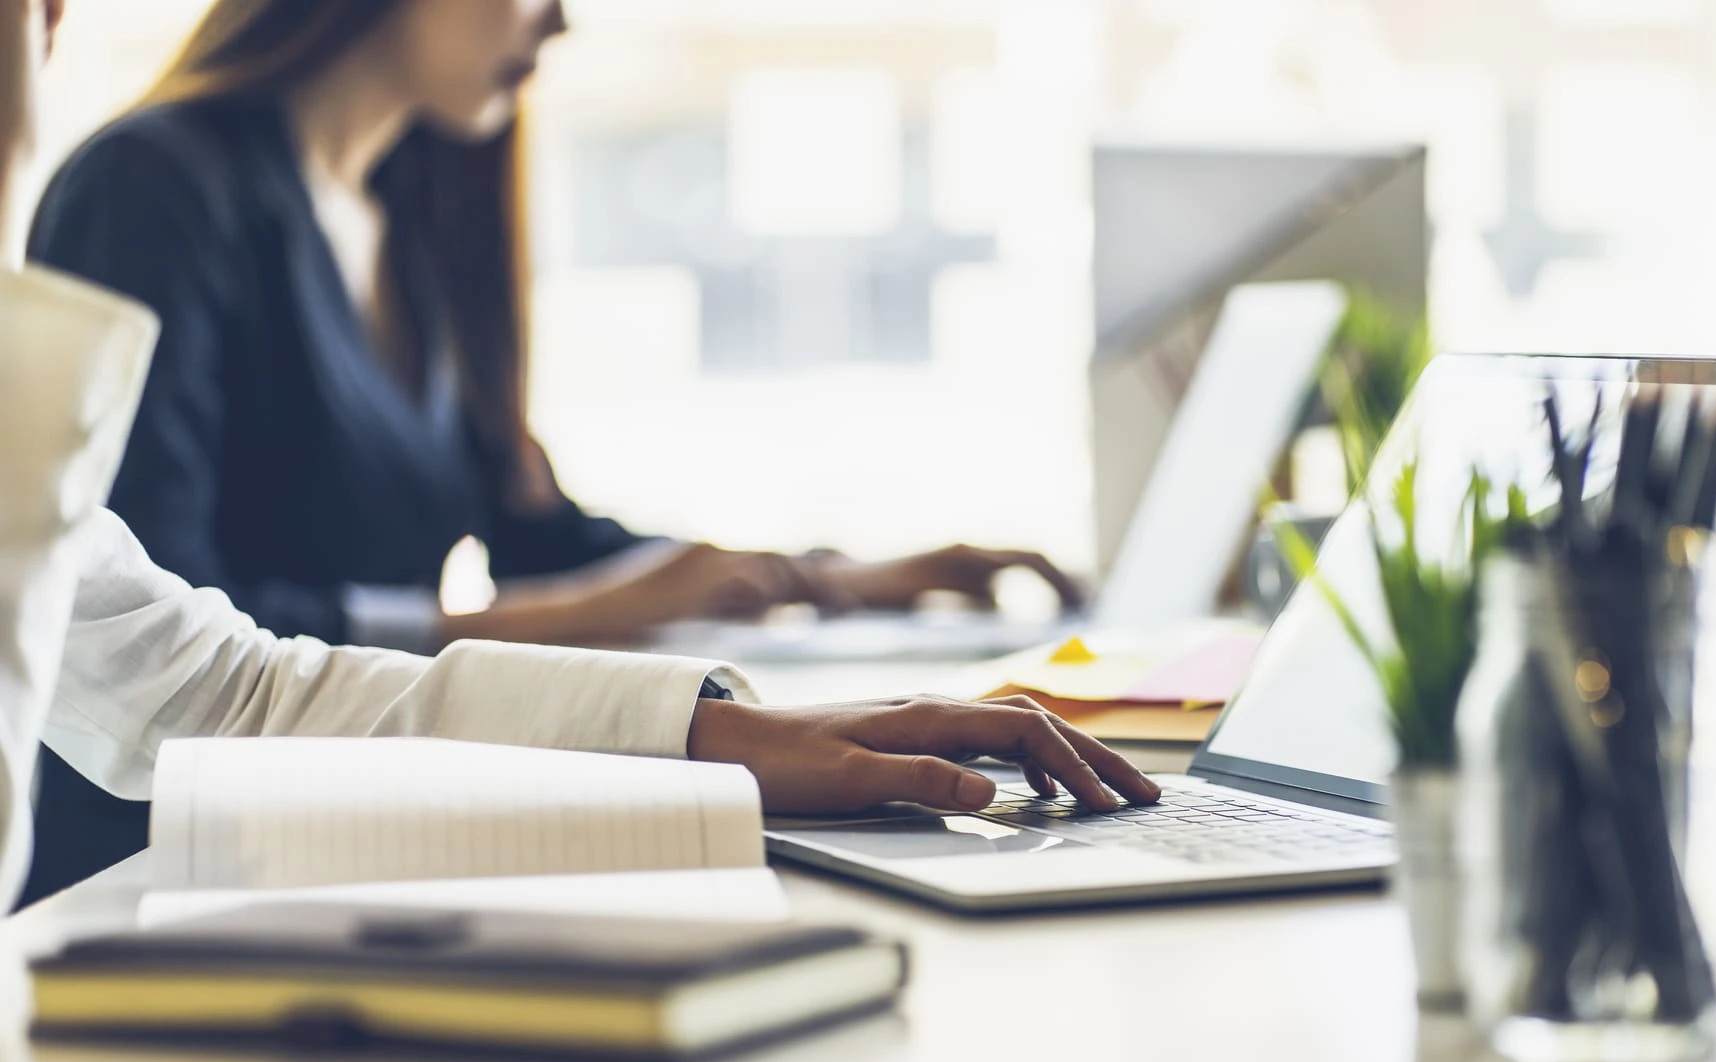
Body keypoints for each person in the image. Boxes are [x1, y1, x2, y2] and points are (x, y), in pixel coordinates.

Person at [0, 0, 1155, 910]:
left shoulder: (410, 201)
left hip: (328, 812)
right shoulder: (152, 189)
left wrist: (811, 597)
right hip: (160, 863)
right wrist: (614, 651)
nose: (560, 22)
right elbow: (188, 645)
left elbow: (233, 665)